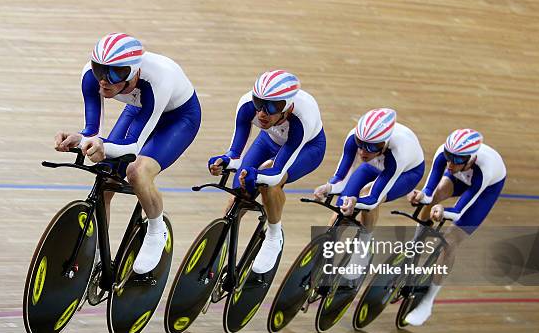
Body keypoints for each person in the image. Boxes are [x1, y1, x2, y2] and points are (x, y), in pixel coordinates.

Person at [54, 33, 201, 274]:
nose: (104, 80)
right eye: (100, 70)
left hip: (179, 119)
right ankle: (98, 258)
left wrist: (102, 147)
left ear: (135, 72)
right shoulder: (91, 78)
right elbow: (93, 131)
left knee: (137, 171)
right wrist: (79, 139)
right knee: (107, 177)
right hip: (139, 107)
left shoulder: (158, 80)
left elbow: (133, 148)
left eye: (115, 73)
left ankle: (156, 228)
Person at [208, 70, 326, 273]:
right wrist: (226, 161)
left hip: (306, 148)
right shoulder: (246, 106)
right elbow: (235, 154)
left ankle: (274, 235)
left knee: (269, 184)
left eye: (272, 106)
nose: (262, 112)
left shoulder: (303, 117)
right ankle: (218, 247)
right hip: (269, 140)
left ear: (287, 107)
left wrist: (260, 175)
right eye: (259, 102)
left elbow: (278, 171)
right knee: (240, 192)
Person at [405, 128, 506, 326]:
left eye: (457, 160)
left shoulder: (485, 169)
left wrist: (443, 210)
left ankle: (428, 302)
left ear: (471, 158)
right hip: (460, 178)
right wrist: (420, 197)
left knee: (450, 242)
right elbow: (428, 191)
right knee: (433, 197)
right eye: (448, 157)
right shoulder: (445, 156)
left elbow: (459, 212)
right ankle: (415, 247)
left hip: (483, 190)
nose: (450, 164)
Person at [314, 108, 425, 252]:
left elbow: (373, 198)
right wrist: (328, 188)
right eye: (359, 144)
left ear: (384, 143)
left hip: (407, 173)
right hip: (373, 166)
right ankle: (322, 254)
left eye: (371, 147)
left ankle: (363, 248)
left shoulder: (399, 151)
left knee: (367, 194)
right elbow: (341, 178)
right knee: (340, 210)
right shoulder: (354, 138)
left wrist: (357, 202)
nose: (362, 152)